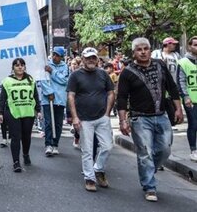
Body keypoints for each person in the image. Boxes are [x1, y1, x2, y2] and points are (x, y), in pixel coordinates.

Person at [118, 37, 184, 202]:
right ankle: (149, 186)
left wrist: (178, 108)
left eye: (145, 48)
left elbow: (172, 87)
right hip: (140, 119)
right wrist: (123, 120)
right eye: (139, 49)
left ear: (150, 50)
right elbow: (121, 98)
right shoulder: (127, 72)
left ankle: (147, 171)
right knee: (145, 153)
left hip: (161, 116)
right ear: (134, 53)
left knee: (165, 149)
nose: (143, 52)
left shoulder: (160, 65)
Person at [67, 47, 115, 192]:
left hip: (102, 117)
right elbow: (71, 96)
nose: (91, 61)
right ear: (83, 59)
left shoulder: (103, 74)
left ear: (97, 59)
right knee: (87, 150)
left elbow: (111, 93)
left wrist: (107, 113)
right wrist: (74, 117)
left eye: (93, 58)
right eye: (88, 58)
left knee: (107, 146)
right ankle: (89, 178)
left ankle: (98, 169)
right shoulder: (75, 76)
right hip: (84, 119)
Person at [0, 58, 41, 172]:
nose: (20, 67)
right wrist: (0, 112)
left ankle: (26, 154)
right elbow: (2, 98)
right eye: (17, 65)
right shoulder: (7, 81)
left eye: (22, 65)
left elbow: (35, 96)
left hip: (28, 111)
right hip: (13, 112)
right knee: (15, 137)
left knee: (26, 136)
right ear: (13, 68)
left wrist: (38, 110)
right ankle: (16, 162)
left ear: (25, 67)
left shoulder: (30, 80)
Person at [41, 46, 69, 156]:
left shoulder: (65, 67)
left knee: (58, 123)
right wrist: (49, 93)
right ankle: (48, 145)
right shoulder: (46, 64)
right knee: (48, 122)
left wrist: (53, 72)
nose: (54, 57)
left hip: (60, 99)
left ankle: (55, 144)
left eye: (57, 55)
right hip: (48, 99)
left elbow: (64, 80)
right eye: (54, 54)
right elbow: (42, 79)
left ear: (61, 57)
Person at [177, 36, 197, 162]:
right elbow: (181, 81)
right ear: (190, 46)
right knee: (193, 124)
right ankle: (193, 150)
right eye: (195, 45)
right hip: (191, 99)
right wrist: (185, 96)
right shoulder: (183, 62)